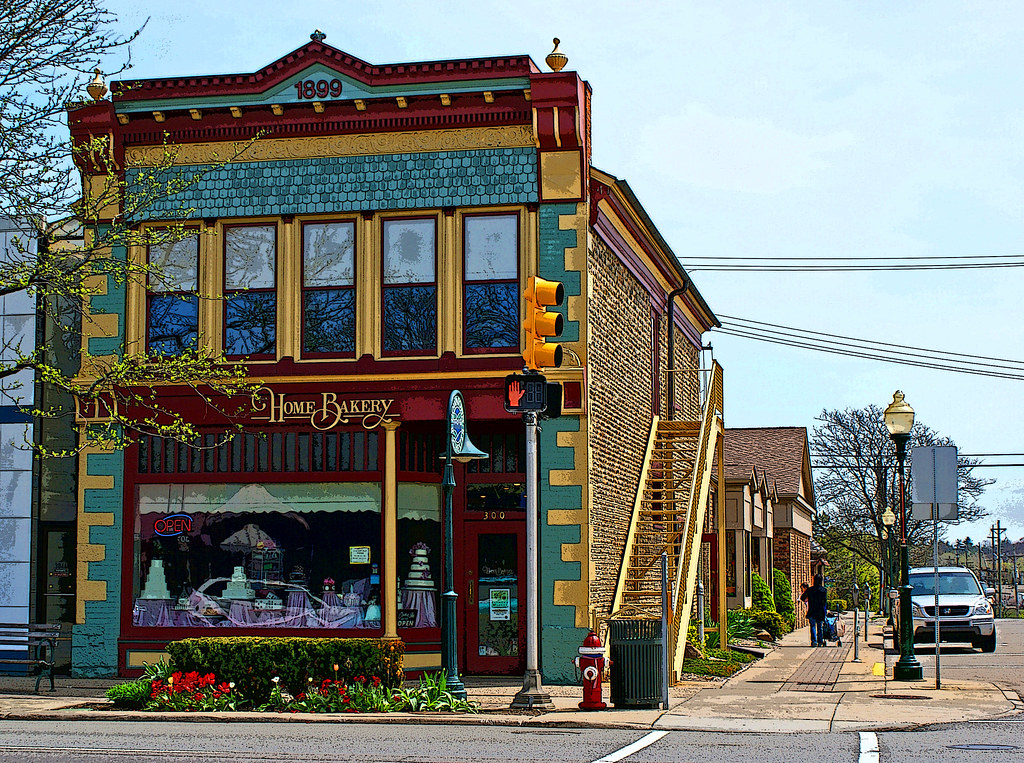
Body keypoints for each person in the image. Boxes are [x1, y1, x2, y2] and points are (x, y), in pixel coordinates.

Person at [801, 574, 828, 647]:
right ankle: (820, 641)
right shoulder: (823, 590)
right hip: (820, 611)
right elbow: (825, 602)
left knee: (812, 626)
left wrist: (808, 599)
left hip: (812, 610)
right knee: (820, 627)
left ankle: (814, 641)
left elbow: (802, 597)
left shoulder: (810, 590)